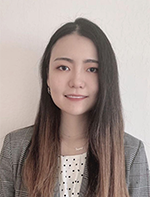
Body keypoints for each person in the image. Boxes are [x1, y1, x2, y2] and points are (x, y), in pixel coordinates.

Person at [0, 18, 149, 197]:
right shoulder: (16, 147)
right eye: (63, 67)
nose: (76, 82)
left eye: (92, 69)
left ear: (106, 79)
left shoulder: (130, 152)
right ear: (47, 76)